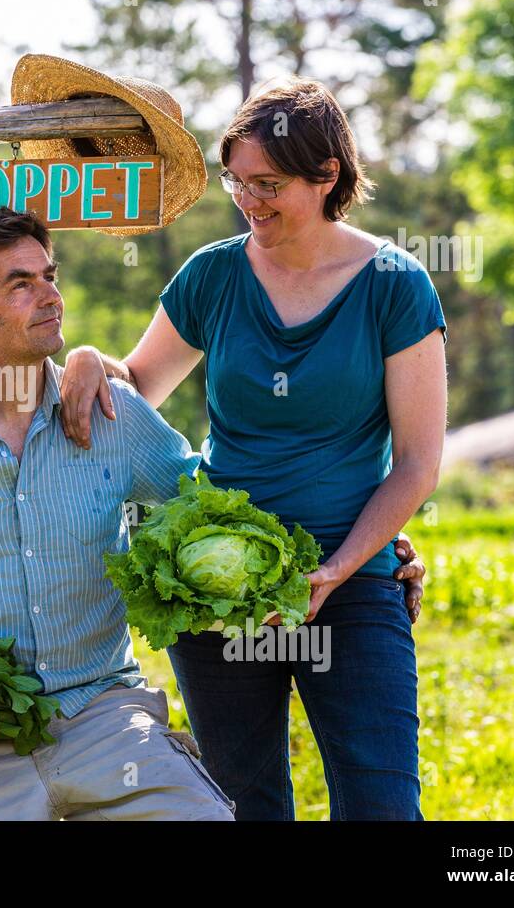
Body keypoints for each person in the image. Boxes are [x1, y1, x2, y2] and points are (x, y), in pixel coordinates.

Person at [0, 207, 426, 820]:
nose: (51, 296)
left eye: (50, 276)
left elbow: (221, 512)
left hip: (107, 717)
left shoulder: (114, 417)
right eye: (21, 284)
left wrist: (368, 541)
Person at [58, 77, 447, 820]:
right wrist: (85, 357)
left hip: (352, 582)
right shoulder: (213, 275)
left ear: (326, 175)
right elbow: (137, 383)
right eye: (237, 181)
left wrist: (334, 571)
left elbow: (417, 465)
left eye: (268, 184)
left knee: (382, 805)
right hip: (218, 591)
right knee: (247, 806)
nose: (248, 201)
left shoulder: (394, 286)